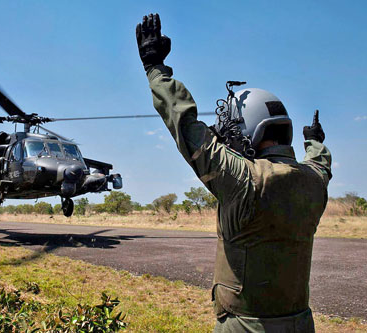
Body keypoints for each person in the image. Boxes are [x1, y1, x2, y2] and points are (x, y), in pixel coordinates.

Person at [136, 13, 332, 332]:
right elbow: (321, 162)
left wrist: (154, 69)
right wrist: (315, 142)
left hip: (245, 326)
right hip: (301, 322)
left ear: (250, 129)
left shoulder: (244, 179)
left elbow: (186, 125)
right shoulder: (313, 181)